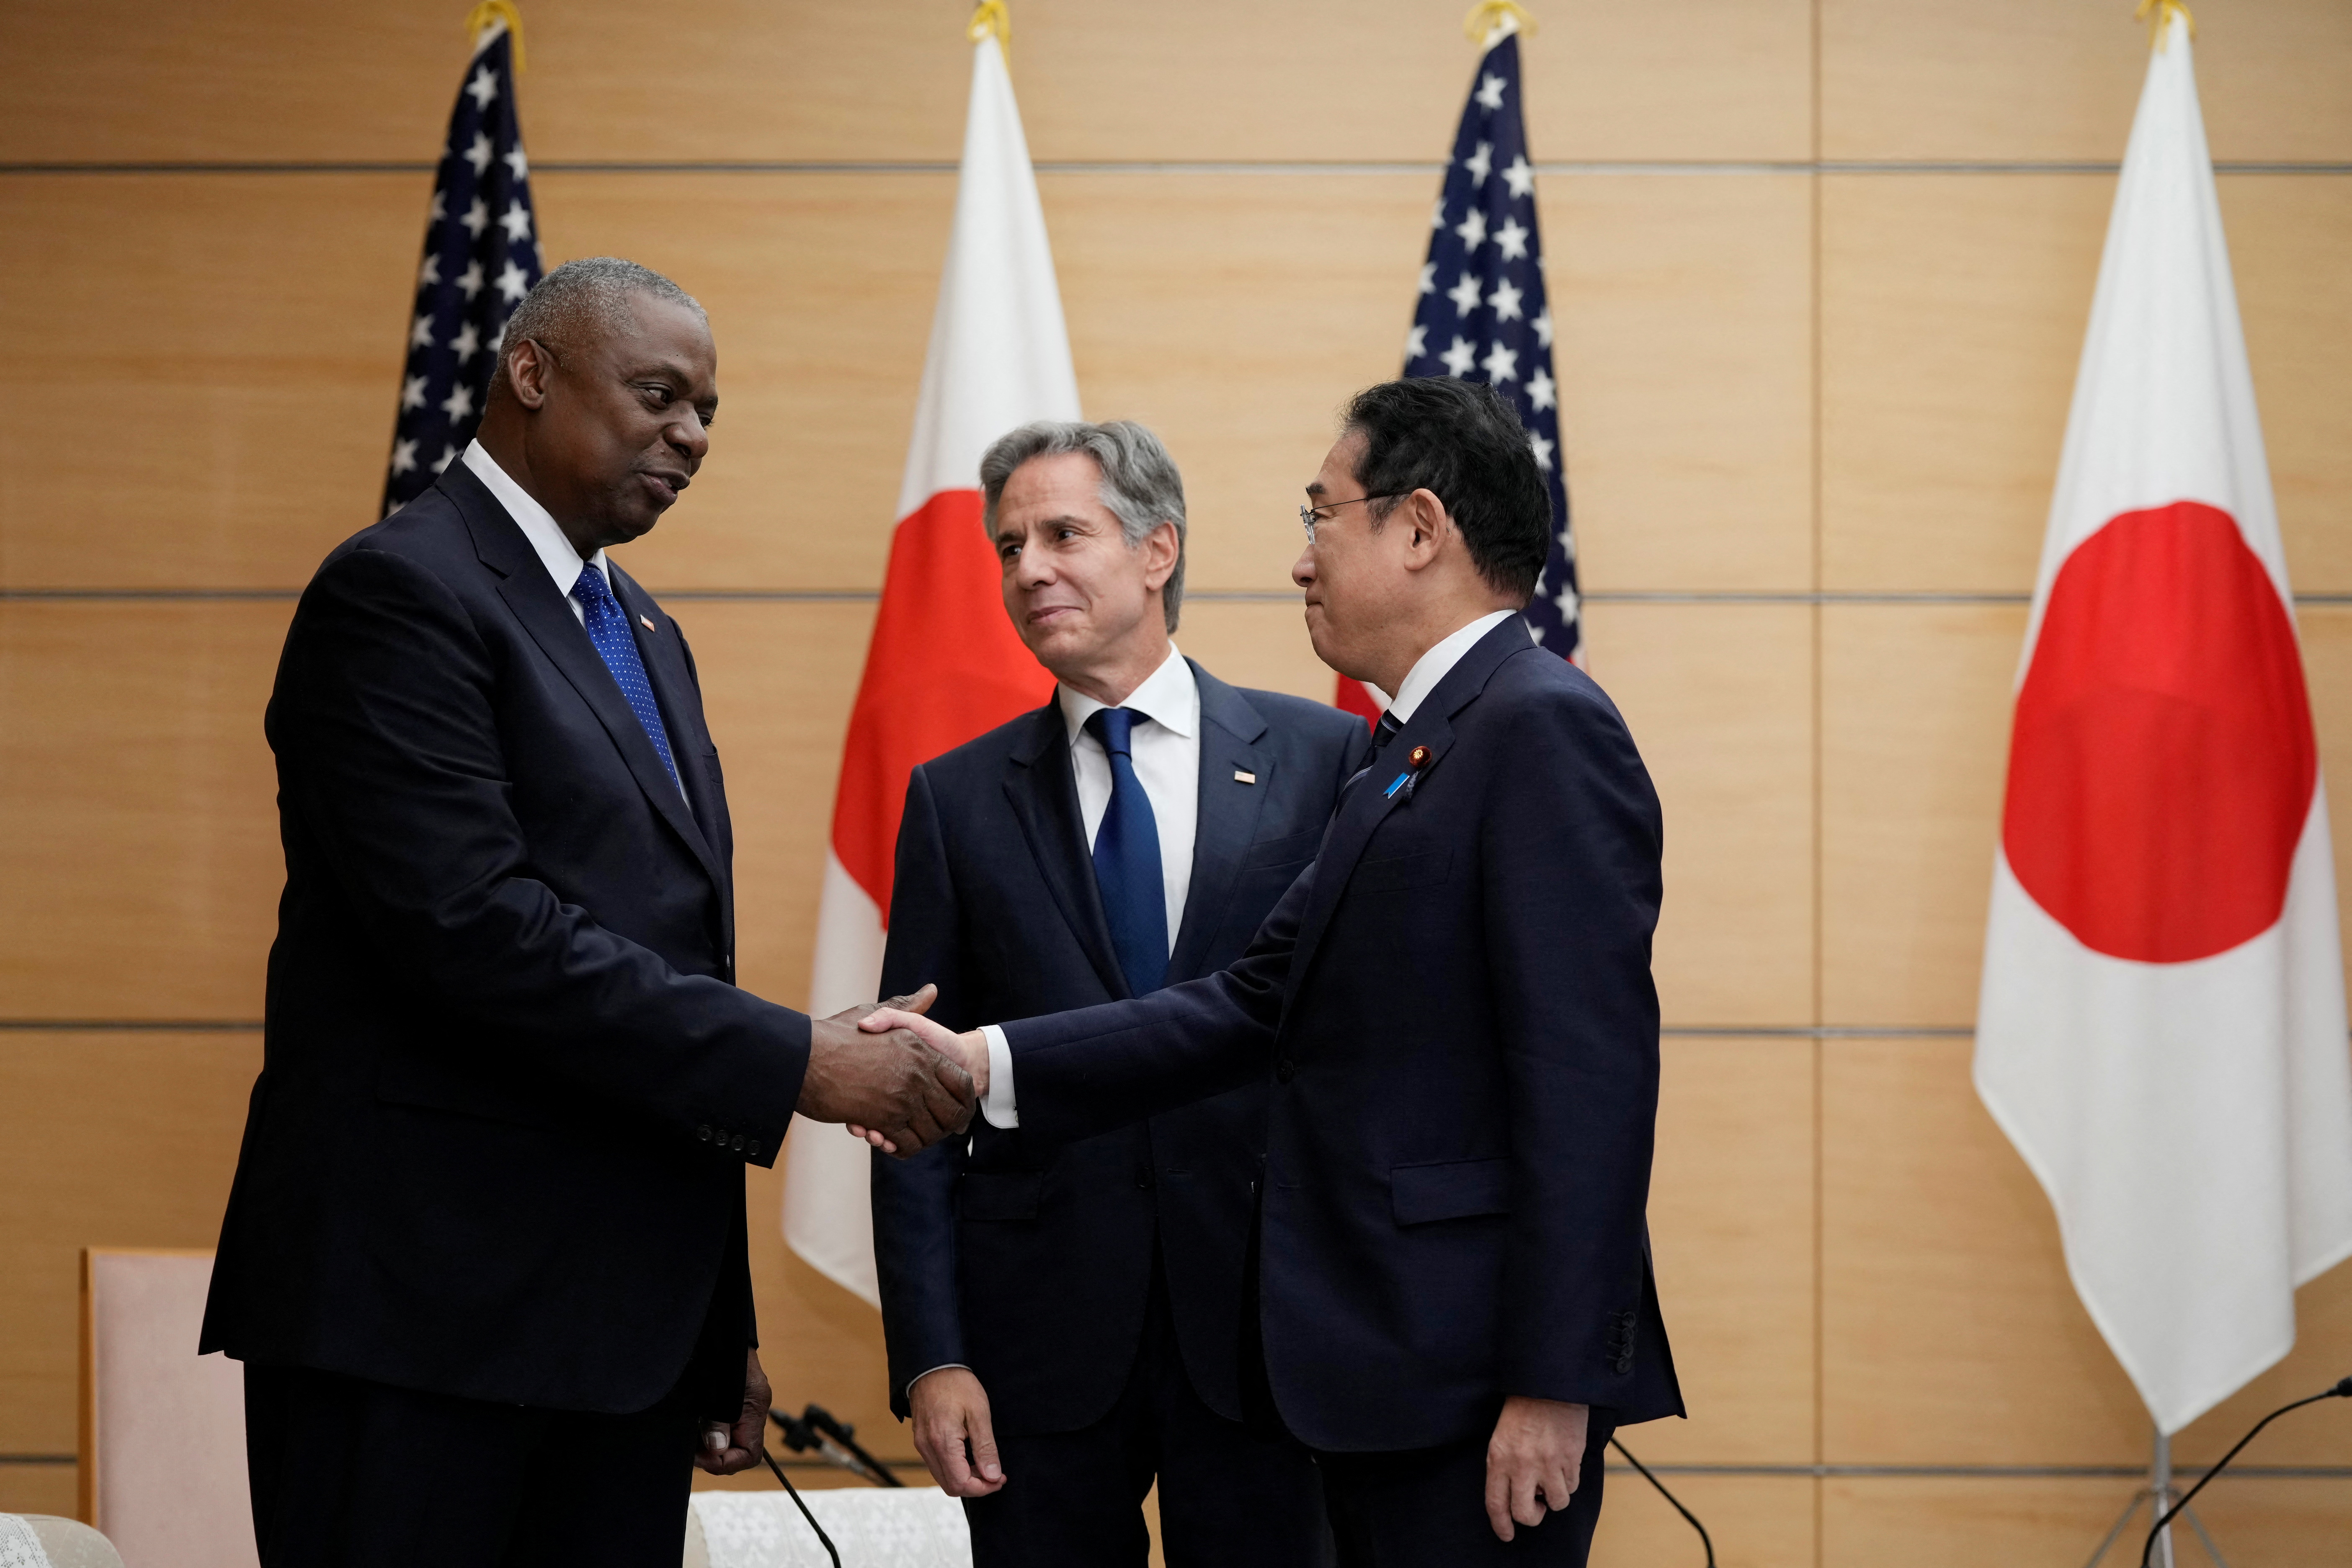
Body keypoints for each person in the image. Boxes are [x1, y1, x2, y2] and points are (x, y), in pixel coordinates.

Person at [200, 256, 974, 1568]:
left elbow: (667, 962)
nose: (690, 435)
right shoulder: (400, 592)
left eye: (709, 413)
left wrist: (713, 1317)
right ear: (532, 374)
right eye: (659, 394)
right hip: (420, 1323)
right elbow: (476, 930)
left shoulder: (644, 630)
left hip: (616, 1342)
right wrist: (800, 1061)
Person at [862, 378, 1683, 1566]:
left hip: (1457, 1377)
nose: (1302, 560)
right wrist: (978, 1059)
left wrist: (1556, 1381)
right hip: (1372, 1376)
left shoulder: (1536, 725)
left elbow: (1589, 1088)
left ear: (1417, 529)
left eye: (1320, 517)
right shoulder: (1420, 750)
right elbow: (1253, 999)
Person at [869, 420, 1367, 1567]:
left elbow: (1350, 1053)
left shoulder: (1322, 762)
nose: (1027, 567)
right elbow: (911, 1092)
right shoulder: (956, 800)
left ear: (1157, 551)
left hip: (1265, 1336)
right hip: (1036, 1347)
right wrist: (933, 1357)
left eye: (1061, 534)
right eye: (1008, 547)